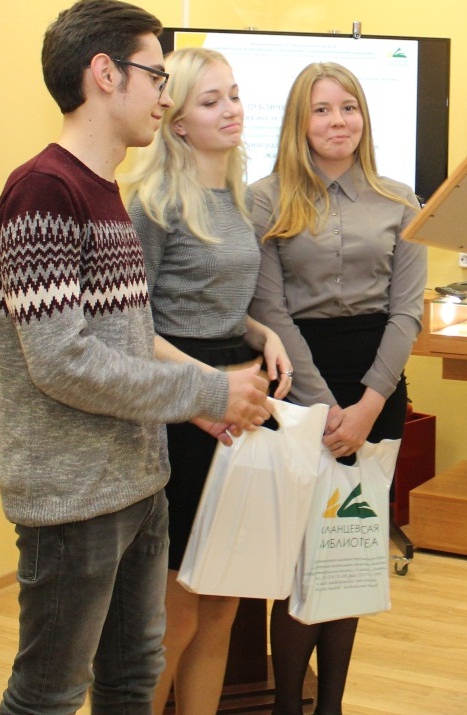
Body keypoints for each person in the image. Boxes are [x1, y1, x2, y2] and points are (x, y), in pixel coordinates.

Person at [0, 0, 272, 715]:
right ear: (105, 74)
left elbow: (127, 338)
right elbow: (61, 361)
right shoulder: (43, 191)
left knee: (134, 676)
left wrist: (197, 406)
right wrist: (208, 392)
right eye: (155, 76)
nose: (164, 97)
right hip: (74, 493)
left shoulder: (102, 189)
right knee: (49, 693)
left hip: (136, 480)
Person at [248, 61, 428, 715]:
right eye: (321, 109)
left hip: (377, 388)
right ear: (299, 121)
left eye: (348, 107)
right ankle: (286, 706)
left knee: (350, 554)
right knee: (305, 560)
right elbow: (269, 310)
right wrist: (325, 410)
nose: (337, 121)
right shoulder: (264, 199)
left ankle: (331, 706)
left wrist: (370, 405)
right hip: (298, 389)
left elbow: (406, 313)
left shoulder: (401, 199)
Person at [124, 46, 294, 715]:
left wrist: (262, 334)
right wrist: (209, 384)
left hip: (236, 394)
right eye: (211, 100)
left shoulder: (234, 197)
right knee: (180, 608)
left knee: (223, 605)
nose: (232, 110)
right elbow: (131, 324)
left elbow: (214, 301)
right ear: (177, 122)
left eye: (235, 94)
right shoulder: (153, 201)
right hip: (183, 407)